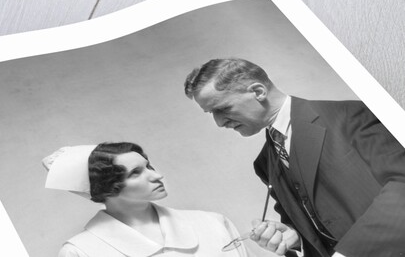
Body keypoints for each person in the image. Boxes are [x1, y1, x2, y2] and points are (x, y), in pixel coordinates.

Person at [184, 58, 405, 257]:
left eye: (222, 108)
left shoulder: (350, 115)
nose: (219, 122)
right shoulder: (264, 163)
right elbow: (314, 233)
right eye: (211, 114)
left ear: (258, 91)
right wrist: (296, 240)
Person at [43, 142, 249, 257]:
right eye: (136, 172)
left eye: (148, 166)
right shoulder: (81, 251)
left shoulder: (212, 222)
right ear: (107, 187)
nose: (157, 175)